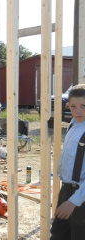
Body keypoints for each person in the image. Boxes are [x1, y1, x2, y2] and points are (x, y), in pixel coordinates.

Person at [50, 84, 85, 240]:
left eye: (83, 106)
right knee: (58, 233)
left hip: (80, 196)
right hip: (67, 190)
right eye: (73, 106)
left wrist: (74, 202)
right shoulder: (73, 124)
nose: (78, 111)